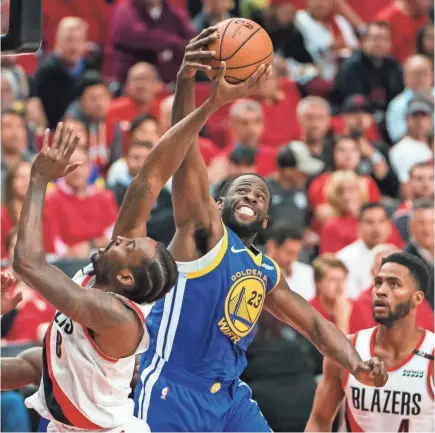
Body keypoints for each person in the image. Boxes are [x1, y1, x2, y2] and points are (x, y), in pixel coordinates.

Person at [134, 27, 388, 433]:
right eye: (242, 189)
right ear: (219, 205)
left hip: (231, 396)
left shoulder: (266, 271)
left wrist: (357, 365)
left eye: (261, 194)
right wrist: (187, 83)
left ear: (266, 219)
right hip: (173, 389)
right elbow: (184, 153)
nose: (252, 193)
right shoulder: (202, 233)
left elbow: (317, 326)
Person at [8, 56, 252, 432]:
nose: (119, 237)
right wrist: (202, 99)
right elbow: (150, 178)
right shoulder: (102, 273)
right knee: (31, 362)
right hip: (66, 426)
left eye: (128, 245)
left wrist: (39, 179)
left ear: (124, 277)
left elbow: (28, 265)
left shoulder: (115, 316)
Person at [305, 252, 434, 432]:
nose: (380, 291)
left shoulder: (431, 355)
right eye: (378, 283)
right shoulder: (346, 350)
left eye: (394, 284)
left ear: (417, 298)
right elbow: (319, 421)